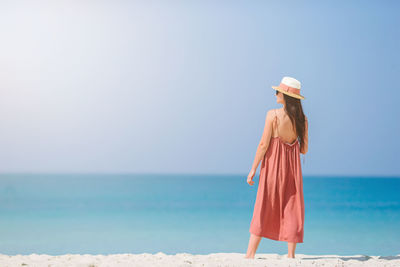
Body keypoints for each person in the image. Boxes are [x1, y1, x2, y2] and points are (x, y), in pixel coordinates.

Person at [245, 76, 308, 259]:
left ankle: (250, 254)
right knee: (292, 208)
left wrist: (253, 169)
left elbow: (263, 145)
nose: (275, 94)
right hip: (293, 171)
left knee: (263, 206)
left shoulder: (272, 115)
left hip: (273, 168)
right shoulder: (302, 120)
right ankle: (291, 255)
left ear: (285, 96)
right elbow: (303, 149)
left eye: (277, 92)